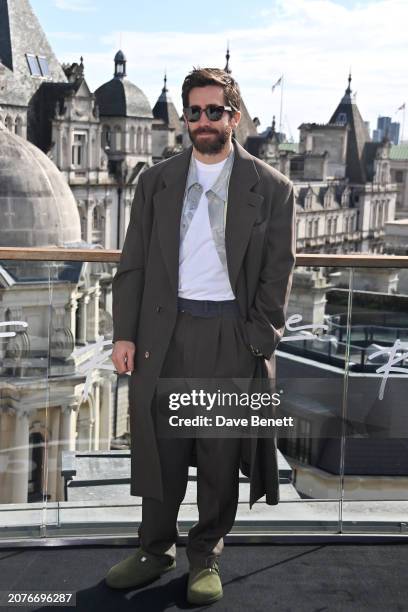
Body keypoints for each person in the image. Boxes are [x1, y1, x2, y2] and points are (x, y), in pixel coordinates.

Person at [105, 67, 295, 605]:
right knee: (161, 446)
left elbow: (277, 273)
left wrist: (257, 338)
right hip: (164, 331)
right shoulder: (155, 180)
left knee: (218, 451)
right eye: (194, 112)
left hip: (230, 336)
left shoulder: (273, 189)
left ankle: (205, 554)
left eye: (215, 111)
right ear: (184, 117)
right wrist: (124, 334)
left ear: (234, 115)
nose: (204, 121)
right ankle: (153, 548)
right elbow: (134, 264)